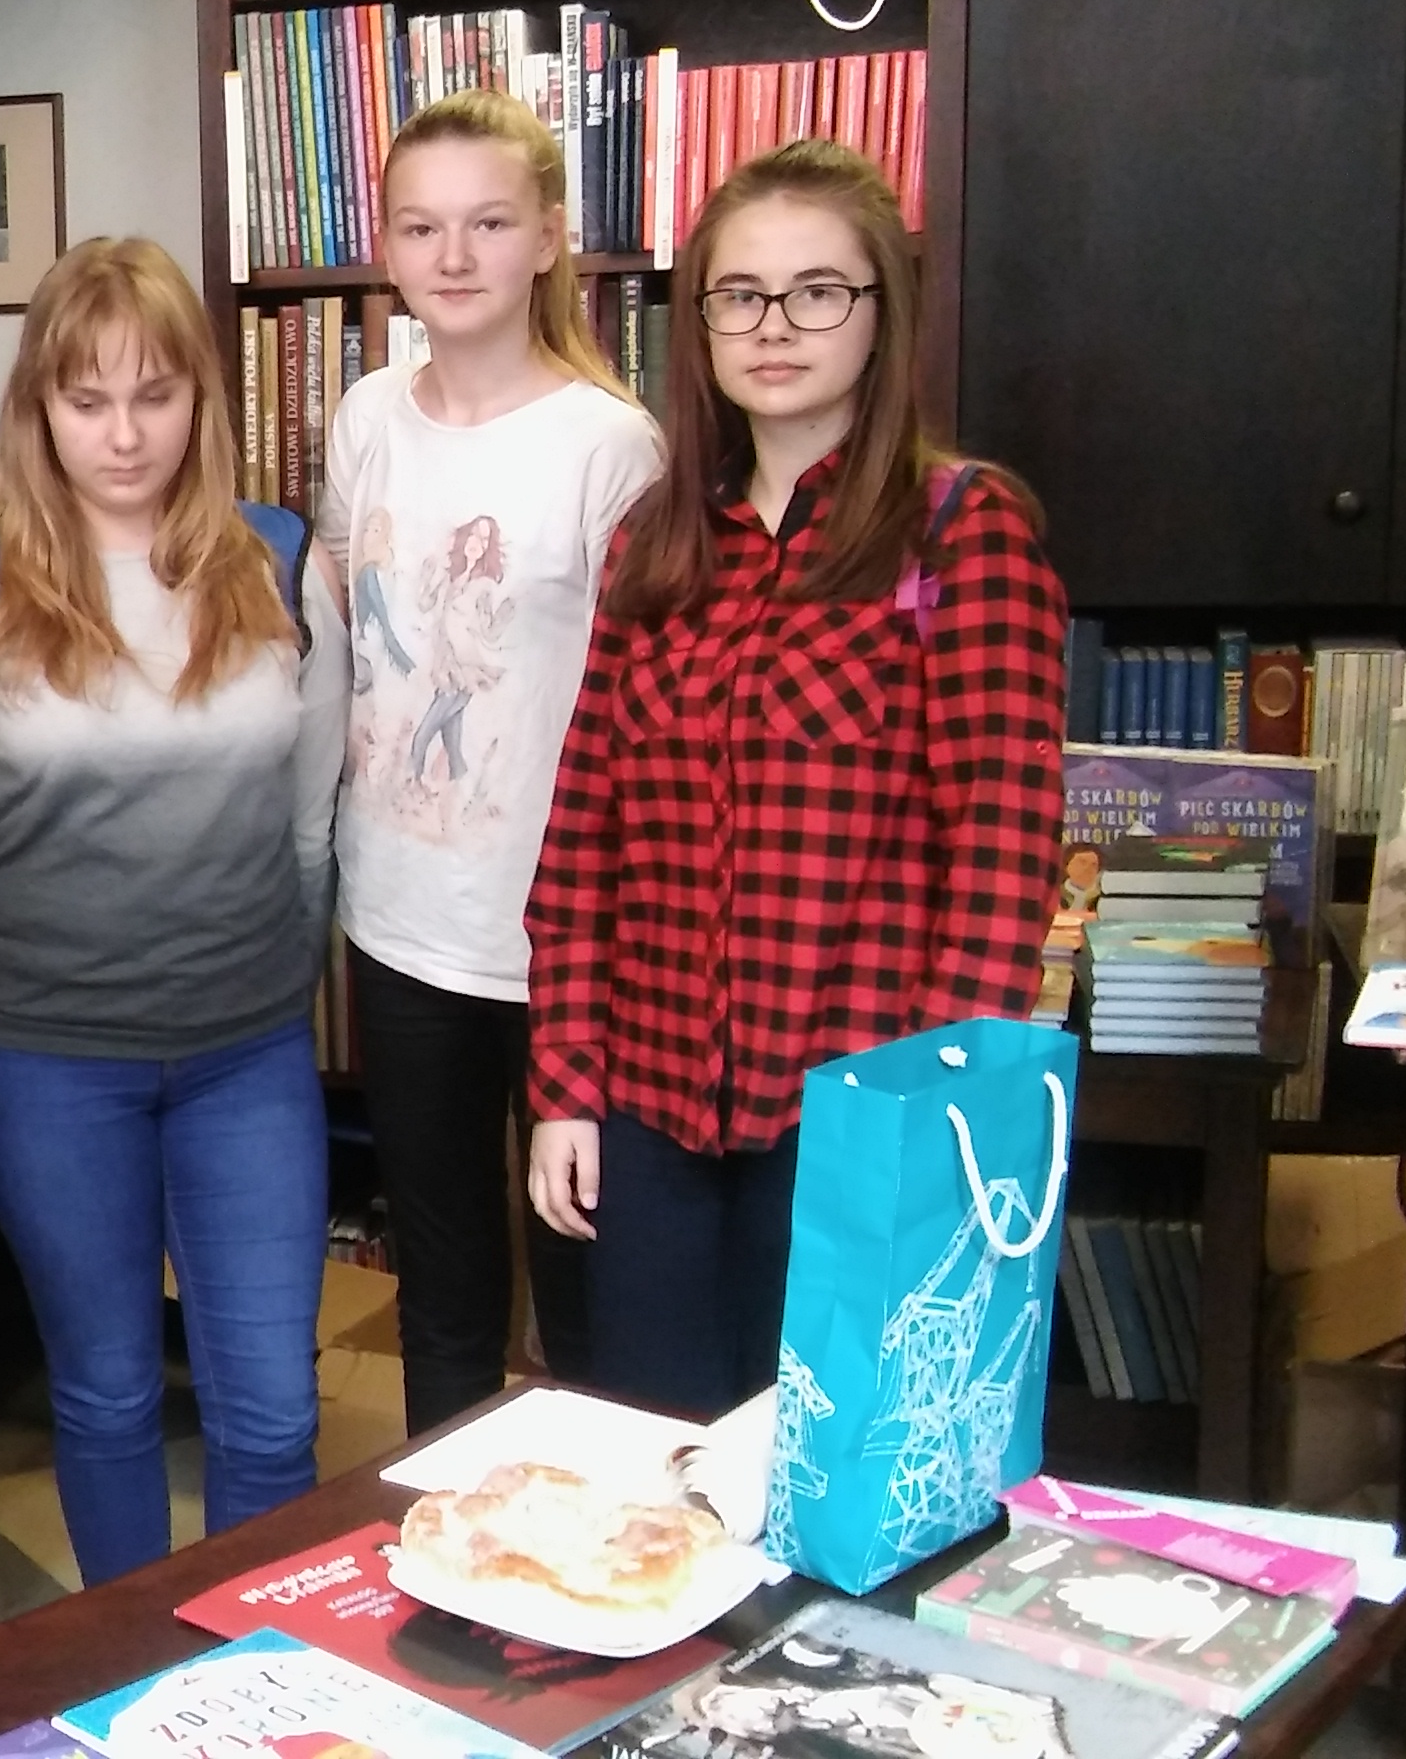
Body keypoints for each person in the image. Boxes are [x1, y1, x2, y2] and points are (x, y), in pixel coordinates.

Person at [524, 138, 1068, 1418]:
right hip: (649, 1108)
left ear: (883, 312)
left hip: (861, 1111)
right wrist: (564, 1086)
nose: (774, 325)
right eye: (739, 294)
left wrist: (933, 1123)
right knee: (656, 1463)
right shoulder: (654, 541)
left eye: (818, 291)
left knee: (834, 1474)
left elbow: (1001, 856)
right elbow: (584, 835)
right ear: (701, 321)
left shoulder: (960, 530)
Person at [0, 236, 348, 1587]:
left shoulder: (284, 567)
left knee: (272, 1410)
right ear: (38, 408)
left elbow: (313, 827)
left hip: (248, 1054)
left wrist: (271, 988)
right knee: (104, 1395)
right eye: (87, 399)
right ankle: (135, 1670)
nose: (125, 433)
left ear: (201, 397)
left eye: (156, 394)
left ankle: (262, 1667)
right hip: (45, 1061)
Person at [316, 88, 661, 1434]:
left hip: (573, 940)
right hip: (403, 921)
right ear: (387, 247)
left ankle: (600, 1539)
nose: (453, 256)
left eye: (489, 223)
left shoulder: (609, 444)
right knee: (444, 1289)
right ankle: (444, 1528)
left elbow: (645, 703)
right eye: (422, 227)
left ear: (549, 237)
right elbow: (345, 619)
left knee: (589, 1290)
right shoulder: (366, 417)